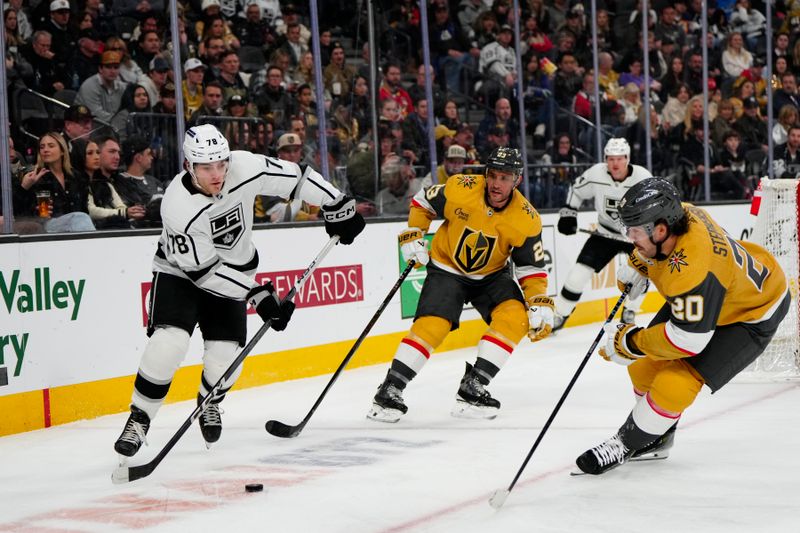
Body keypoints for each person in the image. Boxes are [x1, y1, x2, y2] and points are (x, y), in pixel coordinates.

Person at [113, 124, 365, 458]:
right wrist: (257, 294)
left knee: (226, 359)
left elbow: (298, 178)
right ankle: (140, 418)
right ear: (189, 165)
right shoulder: (178, 207)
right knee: (168, 344)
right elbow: (204, 273)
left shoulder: (244, 166)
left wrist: (337, 203)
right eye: (206, 167)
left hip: (234, 271)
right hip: (180, 276)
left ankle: (210, 402)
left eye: (221, 164)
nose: (217, 174)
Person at [574, 178, 790, 475]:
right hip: (722, 294)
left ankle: (629, 442)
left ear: (660, 229)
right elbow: (666, 258)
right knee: (642, 367)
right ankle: (658, 434)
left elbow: (689, 341)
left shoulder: (694, 271)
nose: (630, 237)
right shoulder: (680, 214)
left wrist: (631, 342)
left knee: (674, 383)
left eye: (634, 231)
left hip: (752, 314)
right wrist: (640, 265)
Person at [367, 147, 553, 422]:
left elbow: (530, 267)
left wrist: (538, 299)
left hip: (492, 276)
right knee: (432, 326)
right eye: (493, 175)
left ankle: (473, 386)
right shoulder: (461, 187)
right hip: (446, 269)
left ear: (517, 180)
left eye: (505, 177)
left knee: (515, 317)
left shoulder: (527, 219)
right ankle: (390, 389)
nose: (496, 183)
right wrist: (413, 232)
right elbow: (423, 201)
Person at [553, 138, 653, 331]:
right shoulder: (596, 173)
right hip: (605, 232)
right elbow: (576, 190)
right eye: (611, 158)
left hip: (635, 236)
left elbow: (654, 205)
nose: (615, 163)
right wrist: (569, 213)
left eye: (620, 158)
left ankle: (631, 310)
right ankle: (561, 314)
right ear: (605, 159)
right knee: (577, 275)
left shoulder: (642, 177)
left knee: (641, 275)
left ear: (627, 159)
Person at [14, 131, 95, 233]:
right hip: (46, 226)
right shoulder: (34, 176)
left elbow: (84, 209)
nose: (45, 150)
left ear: (62, 151)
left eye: (51, 146)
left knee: (81, 218)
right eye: (42, 147)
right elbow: (19, 212)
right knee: (79, 218)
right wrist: (25, 187)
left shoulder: (76, 177)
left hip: (76, 227)